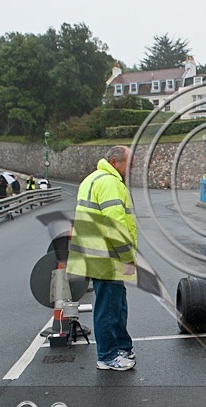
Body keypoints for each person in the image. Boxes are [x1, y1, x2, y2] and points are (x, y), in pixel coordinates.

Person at [66, 146, 137, 371]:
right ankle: (107, 355)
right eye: (130, 163)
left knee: (115, 302)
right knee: (108, 306)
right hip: (107, 255)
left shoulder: (92, 179)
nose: (132, 167)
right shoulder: (110, 183)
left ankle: (121, 347)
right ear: (116, 162)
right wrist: (126, 257)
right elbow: (114, 225)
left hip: (95, 252)